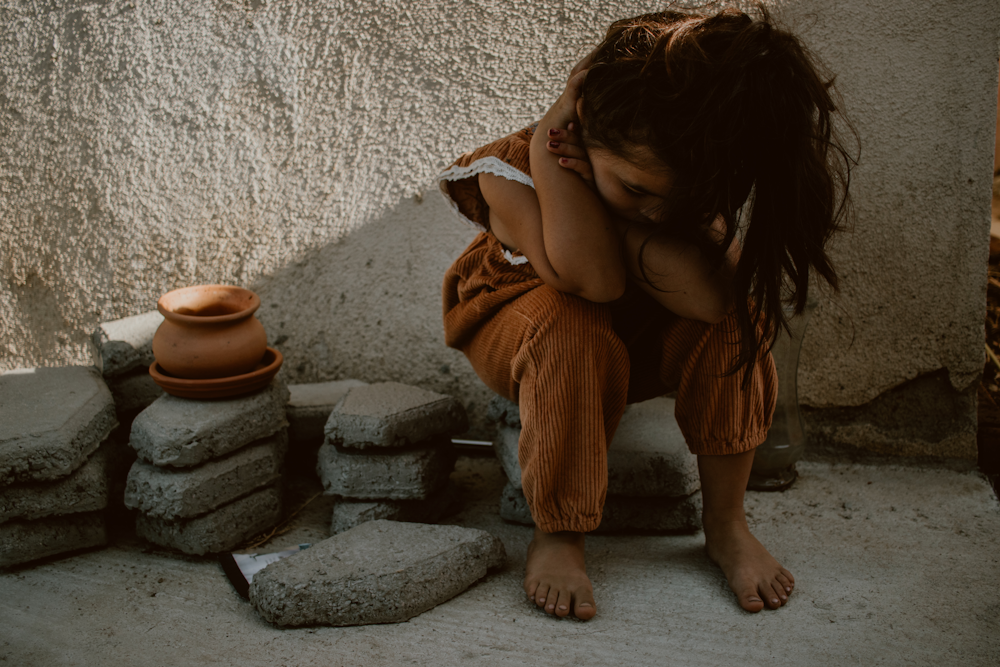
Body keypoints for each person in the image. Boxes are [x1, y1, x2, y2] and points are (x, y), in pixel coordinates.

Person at [438, 5, 854, 620]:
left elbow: (713, 300)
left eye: (678, 202)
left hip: (629, 348)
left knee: (735, 320)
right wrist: (557, 149)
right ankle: (559, 533)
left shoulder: (675, 177)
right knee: (570, 320)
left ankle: (726, 524)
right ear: (576, 130)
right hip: (526, 335)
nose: (659, 214)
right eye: (636, 191)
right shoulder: (510, 173)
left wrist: (629, 214)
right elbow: (595, 281)